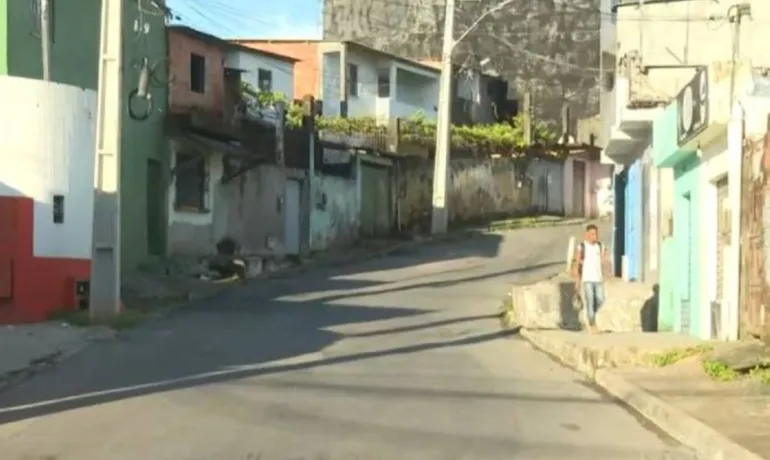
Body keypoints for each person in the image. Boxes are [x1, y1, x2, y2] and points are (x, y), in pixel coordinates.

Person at [572, 224, 610, 333]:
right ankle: (592, 324)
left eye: (596, 234)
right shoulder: (582, 246)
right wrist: (577, 279)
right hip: (587, 278)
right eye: (592, 234)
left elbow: (604, 260)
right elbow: (577, 262)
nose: (595, 236)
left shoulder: (600, 246)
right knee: (590, 300)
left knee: (600, 299)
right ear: (587, 235)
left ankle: (590, 313)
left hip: (598, 278)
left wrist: (607, 271)